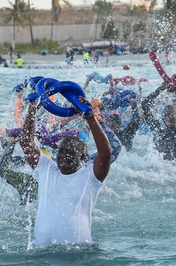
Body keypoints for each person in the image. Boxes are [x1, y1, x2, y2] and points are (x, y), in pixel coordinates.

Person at [19, 96, 112, 247]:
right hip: (42, 254)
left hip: (78, 254)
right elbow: (25, 141)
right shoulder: (47, 168)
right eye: (61, 151)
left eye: (69, 152)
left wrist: (90, 119)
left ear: (81, 156)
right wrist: (32, 109)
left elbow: (106, 154)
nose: (63, 156)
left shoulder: (90, 177)